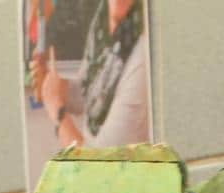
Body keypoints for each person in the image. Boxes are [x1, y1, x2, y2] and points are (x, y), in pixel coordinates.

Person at [33, 0, 149, 151]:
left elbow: (100, 162)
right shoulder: (102, 19)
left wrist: (58, 113)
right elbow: (87, 91)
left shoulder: (145, 57)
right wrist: (55, 87)